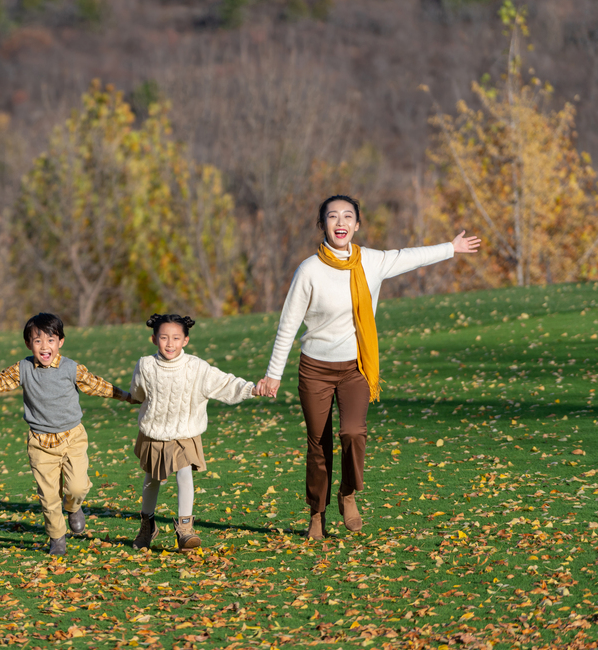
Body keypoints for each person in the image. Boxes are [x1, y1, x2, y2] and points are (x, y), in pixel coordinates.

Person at [255, 194, 480, 540]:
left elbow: (409, 257)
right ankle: (317, 512)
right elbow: (288, 324)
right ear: (322, 225)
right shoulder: (309, 270)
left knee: (353, 433)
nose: (340, 222)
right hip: (314, 368)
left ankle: (348, 493)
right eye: (332, 216)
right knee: (318, 444)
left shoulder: (371, 262)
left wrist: (450, 247)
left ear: (357, 225)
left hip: (355, 367)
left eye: (348, 216)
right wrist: (273, 374)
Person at [0, 313, 133, 556]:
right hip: (40, 443)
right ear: (29, 344)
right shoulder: (23, 368)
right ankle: (57, 538)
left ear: (60, 342)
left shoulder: (72, 368)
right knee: (49, 497)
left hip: (73, 438)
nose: (45, 346)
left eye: (51, 340)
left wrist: (125, 395)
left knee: (77, 487)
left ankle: (73, 507)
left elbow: (96, 385)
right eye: (37, 341)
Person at [129, 313, 259, 551]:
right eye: (164, 338)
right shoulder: (145, 365)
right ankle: (147, 526)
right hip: (154, 433)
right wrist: (134, 398)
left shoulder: (197, 368)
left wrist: (251, 389)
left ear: (186, 340)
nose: (170, 343)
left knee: (184, 472)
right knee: (152, 479)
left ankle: (185, 530)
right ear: (154, 339)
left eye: (176, 338)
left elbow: (224, 383)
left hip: (185, 433)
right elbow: (138, 393)